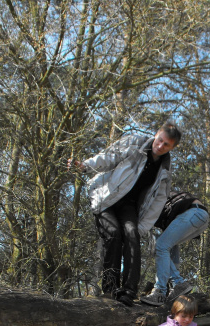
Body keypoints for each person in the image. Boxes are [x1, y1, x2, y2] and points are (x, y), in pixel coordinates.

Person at [67, 122, 181, 306]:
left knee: (132, 236)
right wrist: (85, 166)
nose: (160, 146)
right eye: (159, 140)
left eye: (166, 145)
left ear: (173, 147)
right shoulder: (135, 144)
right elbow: (109, 157)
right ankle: (110, 289)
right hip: (106, 198)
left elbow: (159, 201)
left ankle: (128, 291)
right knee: (113, 234)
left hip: (129, 206)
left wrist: (142, 227)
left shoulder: (165, 172)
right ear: (156, 134)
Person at [140, 191, 209, 306]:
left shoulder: (151, 198)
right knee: (164, 246)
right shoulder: (164, 205)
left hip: (193, 212)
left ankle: (160, 291)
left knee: (161, 246)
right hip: (200, 216)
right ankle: (177, 284)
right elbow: (172, 252)